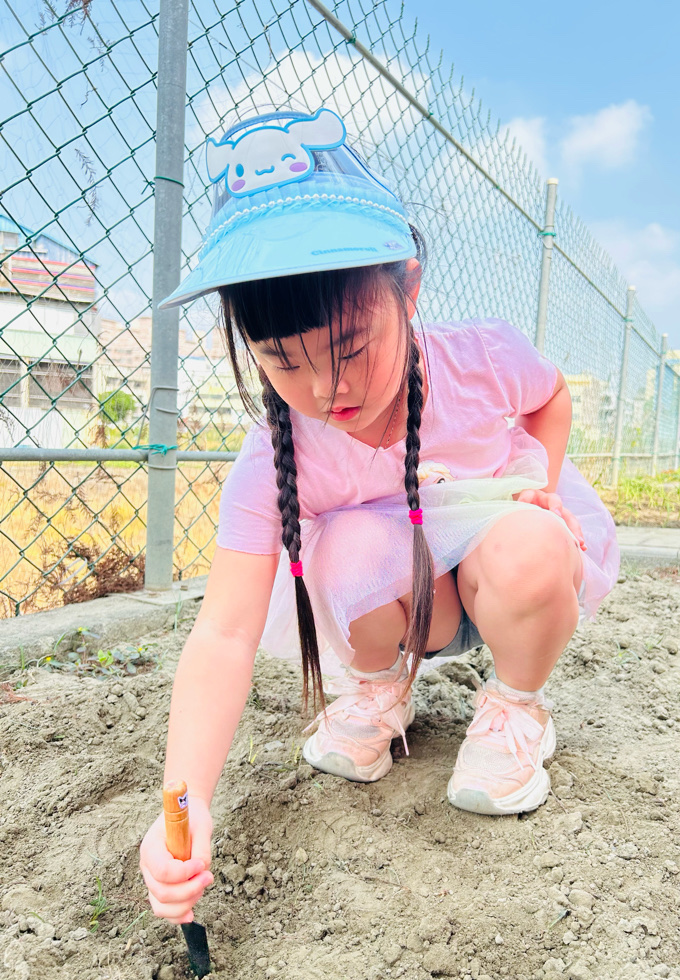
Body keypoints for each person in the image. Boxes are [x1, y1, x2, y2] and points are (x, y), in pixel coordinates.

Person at [139, 107, 619, 925]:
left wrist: (539, 480)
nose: (327, 390)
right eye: (283, 362)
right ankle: (378, 689)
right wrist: (182, 804)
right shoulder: (275, 454)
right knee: (344, 544)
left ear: (409, 288)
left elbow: (552, 395)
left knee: (536, 543)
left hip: (498, 573)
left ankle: (515, 704)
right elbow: (222, 632)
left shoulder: (481, 357)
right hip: (407, 604)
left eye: (351, 347)